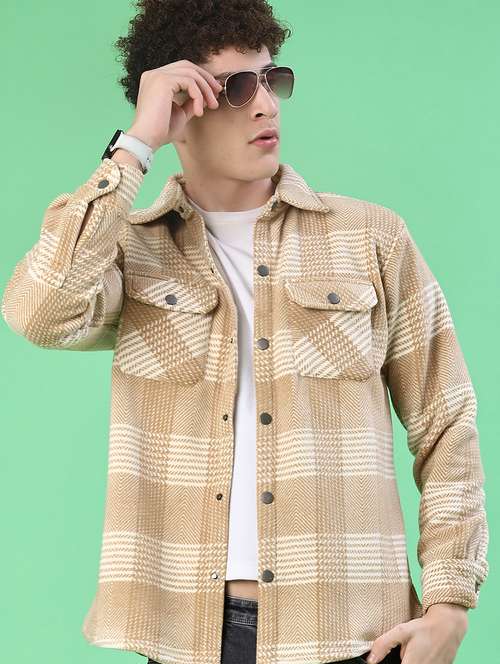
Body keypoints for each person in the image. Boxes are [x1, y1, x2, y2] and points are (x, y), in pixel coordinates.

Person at [1, 1, 489, 663]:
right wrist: (136, 143)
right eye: (235, 88)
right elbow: (38, 312)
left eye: (270, 79)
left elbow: (445, 419)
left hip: (354, 634)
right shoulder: (130, 251)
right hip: (187, 637)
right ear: (179, 106)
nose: (265, 105)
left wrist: (450, 602)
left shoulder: (371, 238)